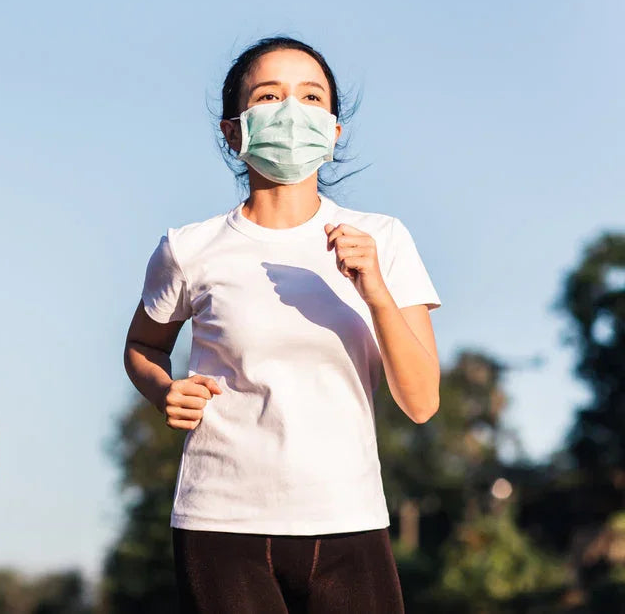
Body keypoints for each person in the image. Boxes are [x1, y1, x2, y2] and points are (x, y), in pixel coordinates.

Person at [124, 37, 441, 614]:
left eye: (312, 97)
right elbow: (143, 347)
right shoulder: (189, 248)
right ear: (233, 130)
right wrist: (164, 389)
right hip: (220, 524)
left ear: (334, 130)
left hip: (349, 518)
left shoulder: (383, 240)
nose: (293, 112)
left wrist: (374, 289)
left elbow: (421, 401)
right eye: (270, 96)